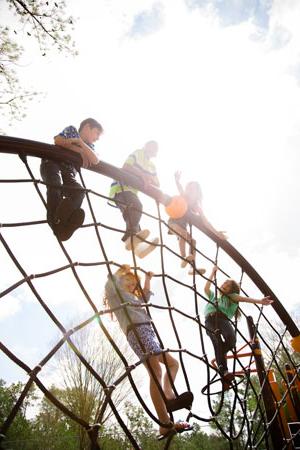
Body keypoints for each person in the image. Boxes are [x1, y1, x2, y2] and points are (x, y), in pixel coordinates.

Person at [104, 264, 193, 439]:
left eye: (133, 283)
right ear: (120, 280)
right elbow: (110, 284)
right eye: (128, 281)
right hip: (136, 331)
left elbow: (144, 296)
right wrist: (122, 270)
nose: (131, 284)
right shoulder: (116, 296)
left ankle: (168, 398)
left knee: (173, 364)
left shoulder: (133, 297)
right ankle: (165, 421)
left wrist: (147, 279)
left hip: (148, 332)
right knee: (156, 371)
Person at [204, 265, 274, 390]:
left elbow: (244, 299)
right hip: (210, 319)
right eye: (224, 283)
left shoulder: (232, 298)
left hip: (223, 319)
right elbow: (206, 287)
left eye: (228, 285)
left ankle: (221, 355)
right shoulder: (214, 296)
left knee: (231, 340)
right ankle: (224, 373)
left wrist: (260, 301)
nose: (224, 284)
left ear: (231, 290)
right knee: (217, 340)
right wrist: (212, 273)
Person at [40, 118, 103, 241]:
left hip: (68, 171)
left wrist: (80, 143)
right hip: (52, 163)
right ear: (87, 127)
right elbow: (58, 140)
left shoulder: (89, 146)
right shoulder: (72, 130)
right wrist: (79, 148)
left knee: (79, 191)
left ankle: (64, 223)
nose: (97, 138)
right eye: (96, 133)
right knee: (55, 187)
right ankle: (56, 222)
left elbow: (95, 160)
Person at [168, 171, 227, 274]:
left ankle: (192, 268)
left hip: (182, 227)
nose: (190, 191)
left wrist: (217, 233)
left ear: (197, 193)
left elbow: (205, 222)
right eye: (189, 188)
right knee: (183, 234)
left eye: (193, 189)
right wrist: (177, 180)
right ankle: (183, 258)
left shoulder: (196, 207)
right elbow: (180, 188)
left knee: (193, 241)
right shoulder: (184, 197)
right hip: (173, 223)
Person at [109, 141, 159, 258]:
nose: (152, 149)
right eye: (150, 146)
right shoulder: (138, 153)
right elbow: (126, 166)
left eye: (155, 148)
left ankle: (138, 249)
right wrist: (142, 175)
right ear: (145, 146)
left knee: (132, 215)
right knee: (136, 207)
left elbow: (157, 183)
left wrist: (149, 178)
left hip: (132, 192)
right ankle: (129, 237)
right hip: (121, 188)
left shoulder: (152, 166)